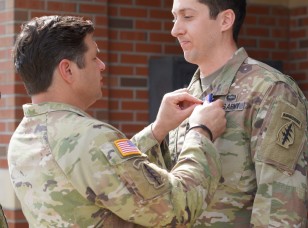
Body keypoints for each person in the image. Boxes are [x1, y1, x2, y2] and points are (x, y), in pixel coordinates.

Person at [8, 15, 227, 227]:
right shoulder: (90, 137)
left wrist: (157, 131)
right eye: (94, 57)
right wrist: (201, 132)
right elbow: (178, 207)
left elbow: (105, 174)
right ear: (67, 70)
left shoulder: (22, 139)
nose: (102, 65)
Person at [163, 0, 308, 227]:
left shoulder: (270, 90)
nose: (175, 29)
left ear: (225, 20)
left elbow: (279, 211)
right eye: (174, 17)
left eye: (187, 16)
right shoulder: (182, 99)